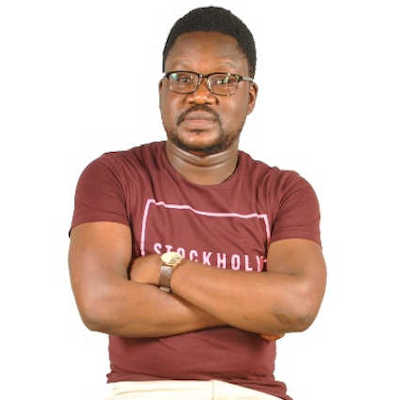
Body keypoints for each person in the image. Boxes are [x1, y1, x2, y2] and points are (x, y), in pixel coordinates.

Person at [68, 6, 326, 400]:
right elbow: (100, 303)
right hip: (148, 392)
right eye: (182, 78)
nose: (200, 94)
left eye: (223, 80)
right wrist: (255, 309)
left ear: (250, 97)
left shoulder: (285, 191)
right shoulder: (114, 176)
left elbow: (297, 305)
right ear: (162, 91)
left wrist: (166, 270)